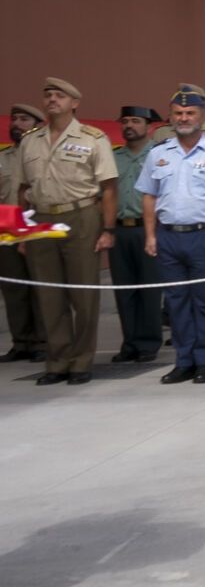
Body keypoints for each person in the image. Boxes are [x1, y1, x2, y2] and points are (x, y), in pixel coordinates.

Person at [138, 85, 205, 384]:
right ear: (171, 117)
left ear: (201, 116)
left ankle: (204, 361)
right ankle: (183, 361)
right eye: (178, 113)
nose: (183, 118)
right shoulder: (158, 154)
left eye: (190, 113)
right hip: (169, 236)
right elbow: (148, 196)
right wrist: (150, 235)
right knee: (176, 302)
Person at [18, 78, 118, 386]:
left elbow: (109, 187)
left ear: (74, 103)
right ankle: (57, 360)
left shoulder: (92, 138)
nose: (51, 100)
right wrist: (20, 231)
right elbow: (21, 189)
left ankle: (81, 362)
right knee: (49, 295)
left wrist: (107, 229)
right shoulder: (30, 140)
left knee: (83, 294)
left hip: (82, 216)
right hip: (42, 219)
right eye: (47, 95)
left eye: (59, 96)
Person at [109, 105, 166, 365]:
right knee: (124, 290)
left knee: (149, 289)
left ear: (149, 126)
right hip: (120, 229)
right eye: (125, 121)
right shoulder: (114, 157)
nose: (128, 126)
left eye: (135, 121)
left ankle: (148, 342)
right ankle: (129, 342)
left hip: (148, 228)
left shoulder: (159, 155)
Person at [0, 103, 48, 363]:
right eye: (14, 119)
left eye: (24, 119)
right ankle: (21, 342)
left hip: (36, 227)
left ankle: (43, 341)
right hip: (6, 230)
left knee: (40, 286)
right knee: (14, 288)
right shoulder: (3, 157)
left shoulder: (41, 155)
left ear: (36, 126)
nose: (17, 124)